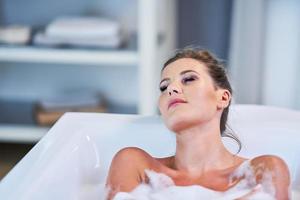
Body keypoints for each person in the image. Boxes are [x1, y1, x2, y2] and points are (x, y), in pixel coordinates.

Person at [105, 48, 291, 199]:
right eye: (164, 87)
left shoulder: (263, 170)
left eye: (189, 79)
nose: (172, 89)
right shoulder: (135, 163)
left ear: (223, 97)